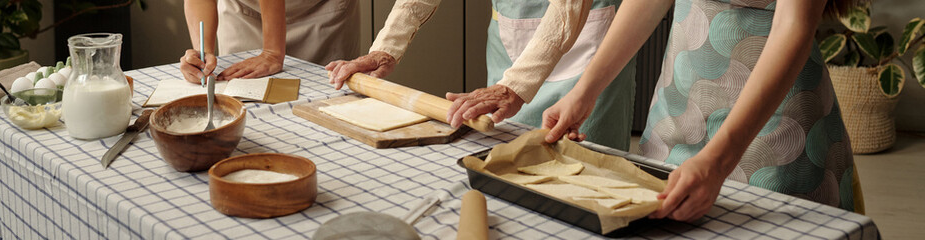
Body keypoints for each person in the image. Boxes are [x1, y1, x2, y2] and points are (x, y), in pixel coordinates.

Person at [542, 0, 865, 222]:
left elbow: (793, 25)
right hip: (679, 108)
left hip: (773, 121)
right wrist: (584, 92)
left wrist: (718, 160)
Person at [326, 0, 638, 151]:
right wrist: (387, 46)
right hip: (510, 41)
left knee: (583, 171)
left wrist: (515, 86)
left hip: (588, 52)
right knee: (508, 167)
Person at [179, 0, 359, 83]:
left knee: (326, 98)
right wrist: (203, 53)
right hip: (243, 9)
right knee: (238, 94)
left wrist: (272, 52)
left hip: (317, 9)